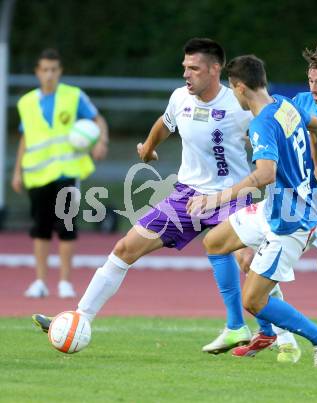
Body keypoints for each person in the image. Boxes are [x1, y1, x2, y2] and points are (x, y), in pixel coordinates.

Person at [32, 38, 253, 351]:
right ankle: (80, 317)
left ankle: (278, 337)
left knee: (248, 259)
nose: (186, 74)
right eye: (184, 67)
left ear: (215, 69)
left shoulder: (238, 106)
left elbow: (274, 132)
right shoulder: (180, 98)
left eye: (194, 68)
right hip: (187, 196)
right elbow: (165, 123)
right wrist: (149, 148)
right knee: (125, 248)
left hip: (231, 196)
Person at [187, 54, 317, 367]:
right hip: (275, 207)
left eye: (233, 89)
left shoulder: (261, 124)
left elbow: (265, 175)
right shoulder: (284, 104)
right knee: (215, 242)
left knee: (254, 300)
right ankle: (238, 328)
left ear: (240, 87)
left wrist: (214, 200)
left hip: (290, 221)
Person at [236, 39, 317, 362]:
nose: (314, 87)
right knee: (243, 253)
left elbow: (311, 147)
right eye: (310, 80)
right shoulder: (299, 101)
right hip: (303, 202)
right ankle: (268, 331)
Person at [12, 48, 109, 299]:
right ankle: (40, 281)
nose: (49, 75)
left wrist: (101, 142)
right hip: (37, 174)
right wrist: (16, 171)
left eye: (53, 70)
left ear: (60, 71)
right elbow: (25, 137)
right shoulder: (26, 102)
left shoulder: (73, 96)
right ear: (37, 72)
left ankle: (65, 282)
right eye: (44, 70)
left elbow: (98, 120)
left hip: (67, 171)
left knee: (66, 225)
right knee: (40, 227)